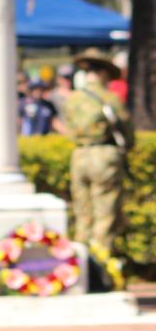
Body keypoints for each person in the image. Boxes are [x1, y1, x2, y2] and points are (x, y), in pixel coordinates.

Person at [63, 49, 135, 256]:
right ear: (104, 73)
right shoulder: (109, 98)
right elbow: (127, 132)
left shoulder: (73, 98)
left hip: (79, 156)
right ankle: (101, 265)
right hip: (104, 156)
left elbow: (69, 130)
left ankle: (81, 263)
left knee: (82, 213)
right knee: (105, 214)